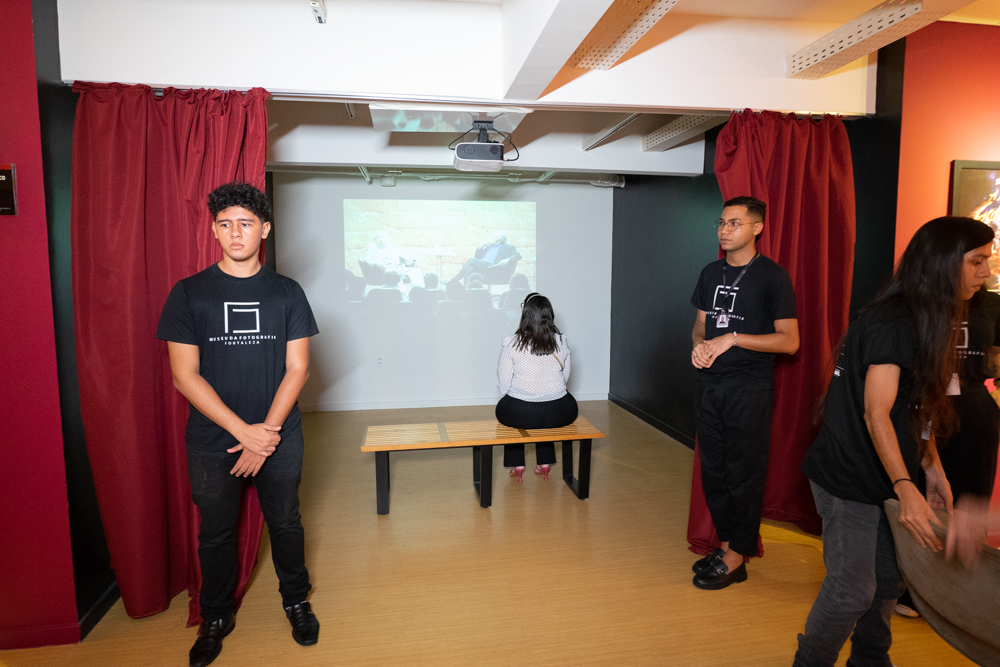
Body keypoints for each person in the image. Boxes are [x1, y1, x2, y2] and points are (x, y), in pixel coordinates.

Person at [793, 216, 994, 667]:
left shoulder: (935, 317)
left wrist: (932, 467)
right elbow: (877, 412)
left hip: (887, 473)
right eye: (977, 261)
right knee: (850, 592)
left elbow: (916, 405)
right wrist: (906, 489)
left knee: (887, 584)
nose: (986, 271)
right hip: (848, 476)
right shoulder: (894, 321)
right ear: (943, 263)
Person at [156, 182, 321, 667]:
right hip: (213, 439)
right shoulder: (188, 293)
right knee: (215, 532)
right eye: (225, 223)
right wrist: (242, 432)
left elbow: (298, 369)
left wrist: (264, 434)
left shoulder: (287, 292)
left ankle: (296, 601)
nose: (235, 233)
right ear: (213, 230)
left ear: (264, 230)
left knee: (285, 522)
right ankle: (215, 616)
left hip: (279, 434)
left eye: (246, 223)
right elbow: (184, 376)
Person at [689, 196, 799, 590]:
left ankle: (738, 555)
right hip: (710, 385)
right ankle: (725, 545)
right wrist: (700, 346)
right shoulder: (710, 272)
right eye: (721, 222)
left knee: (743, 474)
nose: (724, 230)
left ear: (757, 228)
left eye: (734, 223)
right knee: (714, 472)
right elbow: (700, 326)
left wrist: (733, 338)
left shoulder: (773, 277)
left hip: (749, 389)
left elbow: (789, 341)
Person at [895, 283, 1000, 618]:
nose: (983, 270)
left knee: (969, 499)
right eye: (976, 260)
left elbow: (995, 355)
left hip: (974, 409)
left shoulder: (992, 304)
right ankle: (915, 588)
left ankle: (960, 595)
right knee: (927, 493)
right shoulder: (920, 299)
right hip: (928, 403)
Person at [496, 293, 577, 481]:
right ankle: (545, 462)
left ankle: (517, 464)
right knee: (545, 411)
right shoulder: (561, 341)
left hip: (521, 412)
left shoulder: (511, 343)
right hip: (561, 411)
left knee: (512, 411)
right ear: (550, 315)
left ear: (525, 315)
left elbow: (503, 386)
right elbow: (564, 379)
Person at [451, 233, 521, 285]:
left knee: (472, 260)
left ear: (499, 240)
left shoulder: (508, 247)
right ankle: (469, 291)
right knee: (470, 269)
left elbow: (518, 255)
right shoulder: (489, 246)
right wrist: (482, 247)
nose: (491, 238)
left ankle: (456, 279)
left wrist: (508, 259)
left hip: (493, 268)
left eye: (493, 237)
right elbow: (477, 257)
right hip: (483, 266)